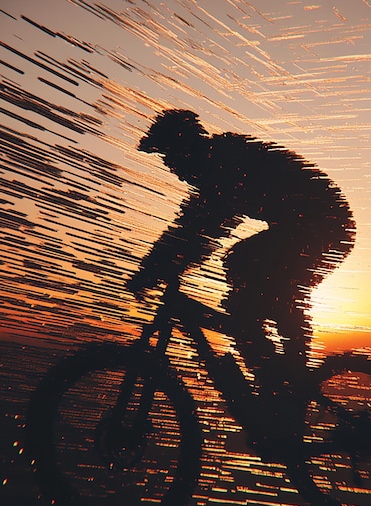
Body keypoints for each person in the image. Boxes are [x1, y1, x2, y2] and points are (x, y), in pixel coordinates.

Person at [129, 109, 355, 401]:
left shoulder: (223, 166)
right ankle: (281, 379)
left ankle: (286, 383)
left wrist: (153, 269)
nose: (171, 167)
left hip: (325, 226)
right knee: (251, 282)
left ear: (185, 148)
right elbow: (195, 228)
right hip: (318, 224)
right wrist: (158, 265)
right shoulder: (219, 163)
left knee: (247, 274)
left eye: (169, 156)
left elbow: (202, 228)